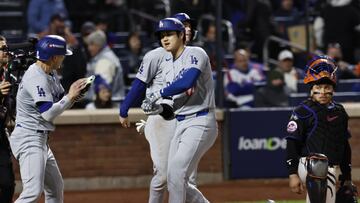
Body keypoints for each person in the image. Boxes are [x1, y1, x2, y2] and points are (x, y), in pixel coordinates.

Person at [119, 13, 199, 203]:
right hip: (162, 119)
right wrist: (124, 108)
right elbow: (139, 84)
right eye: (183, 25)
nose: (187, 28)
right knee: (164, 176)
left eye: (189, 25)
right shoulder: (156, 56)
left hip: (186, 119)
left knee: (186, 177)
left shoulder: (194, 55)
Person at [142, 17, 217, 203]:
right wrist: (156, 108)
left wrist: (157, 93)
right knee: (172, 177)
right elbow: (173, 106)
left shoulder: (196, 53)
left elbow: (187, 81)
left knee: (176, 173)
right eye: (161, 35)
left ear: (182, 35)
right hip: (181, 122)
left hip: (200, 120)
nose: (165, 39)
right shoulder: (169, 66)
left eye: (169, 34)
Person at [8, 35, 87, 203]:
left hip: (40, 139)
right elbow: (48, 113)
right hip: (29, 138)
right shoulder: (36, 77)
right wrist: (70, 97)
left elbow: (60, 102)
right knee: (32, 192)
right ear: (53, 57)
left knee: (55, 188)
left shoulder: (49, 74)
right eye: (61, 55)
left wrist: (74, 95)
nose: (63, 58)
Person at [285, 55, 355, 202]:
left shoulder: (339, 111)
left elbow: (344, 145)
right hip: (310, 165)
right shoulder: (302, 111)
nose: (322, 92)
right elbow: (292, 144)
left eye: (327, 87)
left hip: (332, 167)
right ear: (311, 89)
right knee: (320, 166)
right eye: (318, 87)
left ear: (333, 89)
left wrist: (347, 177)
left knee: (347, 199)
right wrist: (292, 174)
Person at [85, 30, 125, 102]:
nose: (89, 48)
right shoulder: (103, 56)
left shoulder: (105, 60)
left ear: (98, 45)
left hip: (106, 105)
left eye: (91, 44)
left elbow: (103, 91)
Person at [0, 35, 15, 203]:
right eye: (2, 49)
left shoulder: (8, 73)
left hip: (0, 135)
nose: (6, 52)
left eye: (6, 48)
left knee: (8, 184)